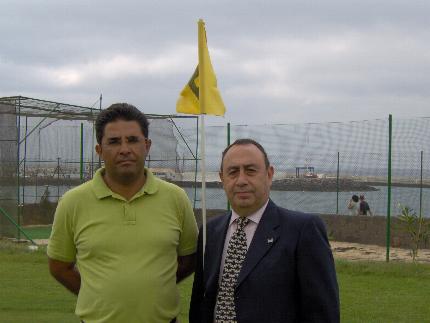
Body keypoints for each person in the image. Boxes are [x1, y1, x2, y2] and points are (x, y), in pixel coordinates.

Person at [47, 103, 198, 323]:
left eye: (133, 140)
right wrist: (95, 294)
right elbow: (59, 266)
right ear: (99, 150)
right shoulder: (73, 202)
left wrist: (158, 285)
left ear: (147, 145)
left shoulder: (176, 198)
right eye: (114, 142)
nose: (125, 149)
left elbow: (189, 260)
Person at [189, 138, 339, 323]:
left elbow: (322, 313)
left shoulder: (303, 230)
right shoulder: (210, 231)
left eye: (250, 171)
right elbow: (200, 303)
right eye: (233, 172)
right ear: (222, 178)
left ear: (269, 174)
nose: (241, 180)